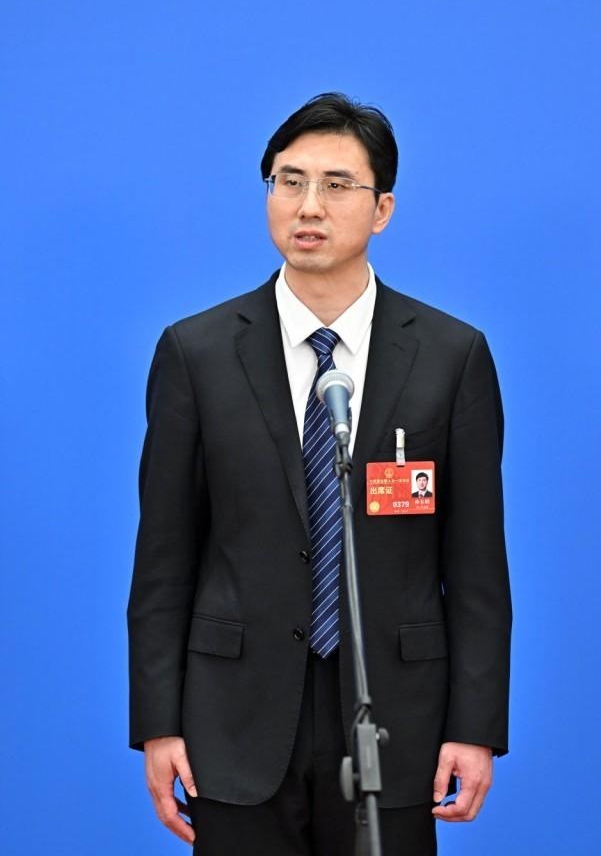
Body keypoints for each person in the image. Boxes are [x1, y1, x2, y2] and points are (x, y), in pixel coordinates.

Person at [127, 92, 512, 856]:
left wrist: (475, 727)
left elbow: (476, 568)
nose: (308, 206)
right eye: (289, 181)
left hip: (394, 718)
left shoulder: (450, 357)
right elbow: (164, 560)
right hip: (233, 719)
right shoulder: (197, 353)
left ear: (382, 209)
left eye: (337, 185)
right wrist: (158, 723)